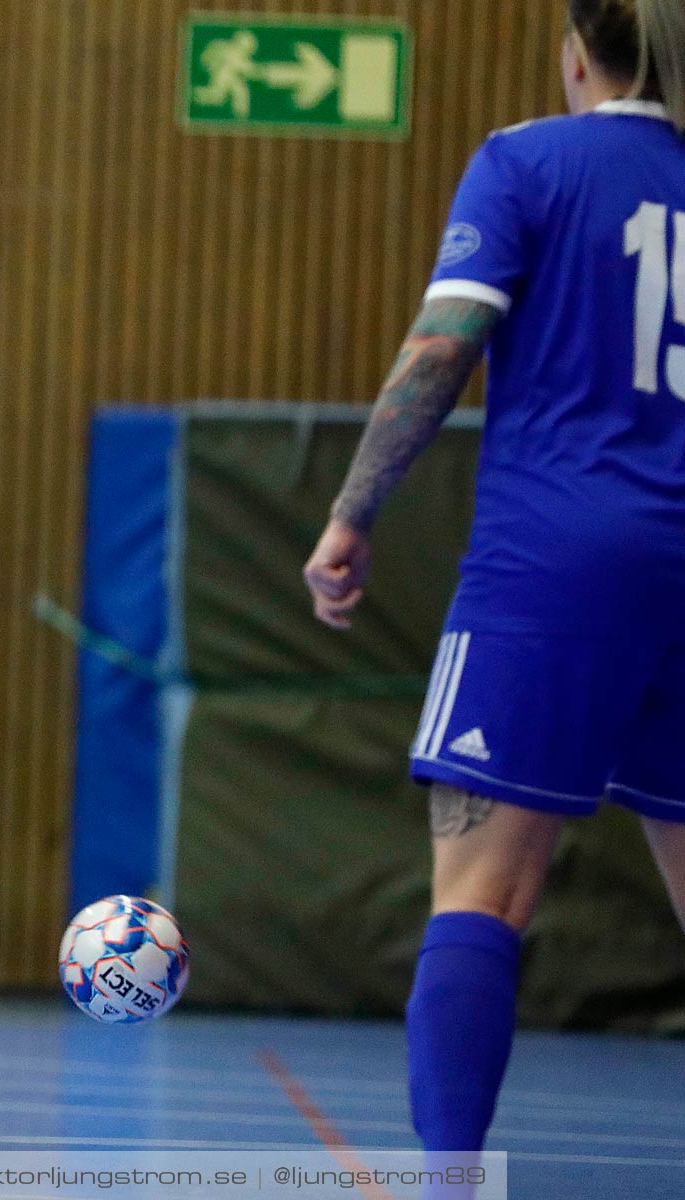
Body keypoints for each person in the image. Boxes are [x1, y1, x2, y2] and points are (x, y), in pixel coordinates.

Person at [303, 0, 685, 1190]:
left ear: (576, 55)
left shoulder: (526, 160)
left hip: (551, 566)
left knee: (483, 890)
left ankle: (450, 1182)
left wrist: (351, 511)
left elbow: (441, 345)